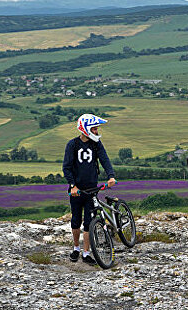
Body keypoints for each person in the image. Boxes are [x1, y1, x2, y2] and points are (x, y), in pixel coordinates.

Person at [63, 114, 116, 265]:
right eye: (94, 128)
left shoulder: (96, 144)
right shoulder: (72, 145)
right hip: (76, 190)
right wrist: (73, 185)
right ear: (86, 129)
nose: (97, 131)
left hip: (92, 190)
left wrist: (111, 176)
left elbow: (105, 159)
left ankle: (86, 253)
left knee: (88, 222)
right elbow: (66, 167)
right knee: (75, 220)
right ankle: (76, 248)